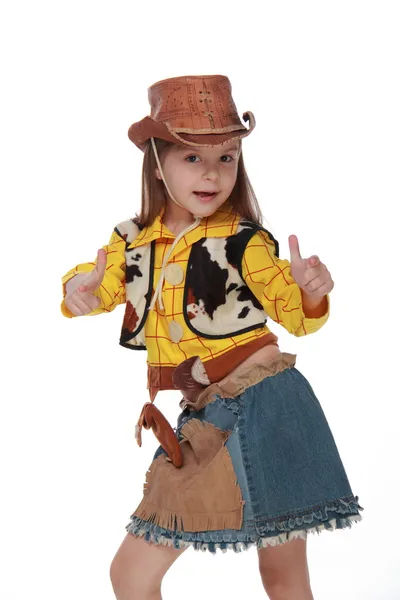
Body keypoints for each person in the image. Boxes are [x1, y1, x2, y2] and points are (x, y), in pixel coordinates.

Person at [61, 75, 363, 600]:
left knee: (284, 579)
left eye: (227, 157)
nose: (213, 173)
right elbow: (97, 284)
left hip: (269, 403)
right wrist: (78, 292)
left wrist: (311, 292)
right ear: (158, 160)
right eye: (193, 158)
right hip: (208, 411)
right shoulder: (132, 241)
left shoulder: (243, 241)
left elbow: (294, 312)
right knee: (132, 575)